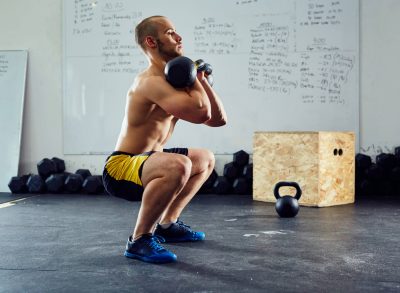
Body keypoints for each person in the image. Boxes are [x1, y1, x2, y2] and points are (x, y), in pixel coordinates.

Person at [102, 15, 227, 264]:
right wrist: (194, 77)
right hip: (121, 167)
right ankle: (139, 240)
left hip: (151, 159)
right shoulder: (150, 83)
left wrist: (199, 79)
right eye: (170, 33)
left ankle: (167, 225)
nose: (179, 38)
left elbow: (217, 119)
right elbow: (202, 112)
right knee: (180, 164)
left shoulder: (175, 82)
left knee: (204, 159)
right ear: (151, 41)